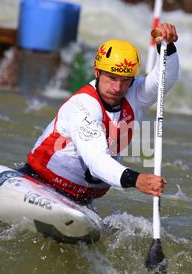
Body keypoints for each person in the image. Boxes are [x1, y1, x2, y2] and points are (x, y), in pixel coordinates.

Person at [20, 23, 180, 205]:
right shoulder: (83, 105)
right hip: (38, 184)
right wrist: (136, 179)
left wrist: (166, 47)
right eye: (111, 78)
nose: (118, 88)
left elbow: (164, 82)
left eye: (125, 80)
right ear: (97, 72)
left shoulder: (135, 94)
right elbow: (96, 160)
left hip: (81, 201)